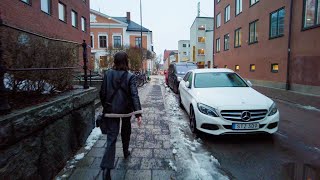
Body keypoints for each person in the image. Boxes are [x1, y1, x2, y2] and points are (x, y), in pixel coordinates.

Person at [99, 51, 142, 180]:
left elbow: (102, 93)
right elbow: (134, 95)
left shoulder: (107, 74)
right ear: (126, 61)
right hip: (126, 111)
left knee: (111, 139)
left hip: (111, 111)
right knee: (126, 131)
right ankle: (125, 151)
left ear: (115, 61)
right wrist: (138, 113)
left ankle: (106, 169)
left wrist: (106, 106)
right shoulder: (130, 76)